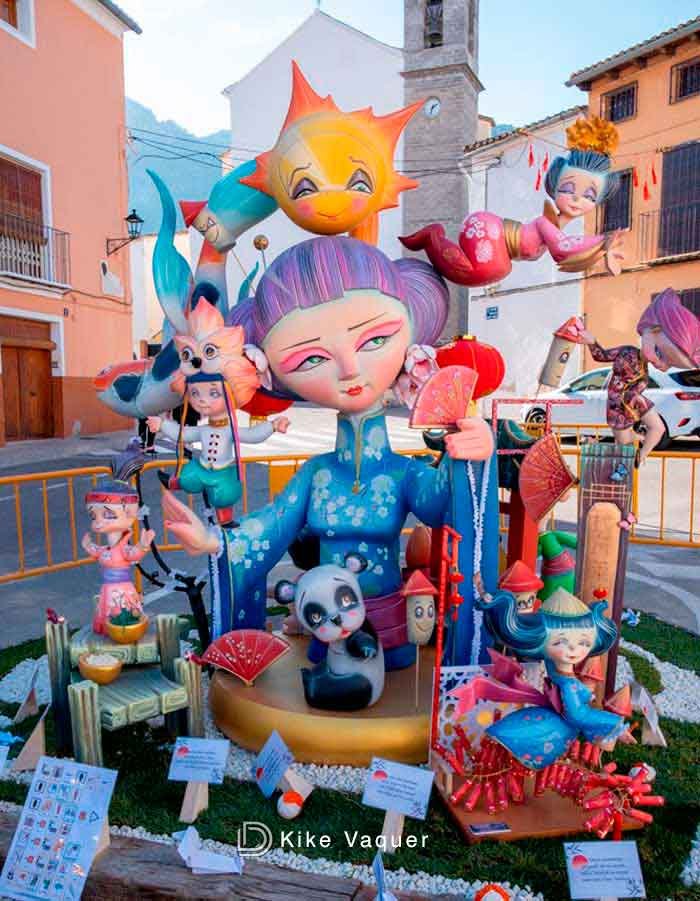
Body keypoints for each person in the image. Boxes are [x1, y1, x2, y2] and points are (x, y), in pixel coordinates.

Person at [162, 235, 497, 669]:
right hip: (324, 630)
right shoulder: (316, 474)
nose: (350, 369)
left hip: (388, 632)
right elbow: (273, 525)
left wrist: (472, 455)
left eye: (375, 340)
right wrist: (216, 541)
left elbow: (444, 507)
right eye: (311, 359)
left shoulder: (402, 473)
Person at [400, 115, 624, 286]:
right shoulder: (545, 224)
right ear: (554, 183)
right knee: (491, 270)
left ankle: (435, 241)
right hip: (490, 231)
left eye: (589, 196)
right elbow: (562, 247)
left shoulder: (553, 225)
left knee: (495, 269)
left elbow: (564, 245)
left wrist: (602, 251)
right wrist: (603, 241)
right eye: (567, 189)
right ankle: (432, 239)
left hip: (494, 235)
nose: (576, 199)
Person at [453, 587, 636, 770]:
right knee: (525, 769)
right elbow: (578, 715)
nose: (574, 650)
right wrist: (616, 725)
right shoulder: (568, 684)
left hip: (553, 724)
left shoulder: (558, 671)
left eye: (584, 642)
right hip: (552, 731)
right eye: (560, 642)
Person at [147, 298, 289, 525]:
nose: (202, 401)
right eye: (195, 394)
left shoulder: (230, 430)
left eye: (213, 393)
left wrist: (272, 426)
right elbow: (186, 434)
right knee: (189, 476)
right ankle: (174, 482)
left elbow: (250, 435)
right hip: (203, 467)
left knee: (225, 493)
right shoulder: (204, 430)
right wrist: (162, 425)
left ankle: (225, 521)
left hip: (222, 472)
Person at [580, 287, 700, 465]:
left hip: (628, 404)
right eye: (659, 353)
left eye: (668, 364)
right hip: (618, 406)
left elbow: (636, 392)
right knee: (624, 443)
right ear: (653, 329)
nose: (660, 364)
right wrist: (592, 342)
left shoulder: (644, 370)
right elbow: (602, 356)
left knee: (653, 430)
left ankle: (639, 455)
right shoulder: (628, 352)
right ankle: (628, 459)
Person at [82, 447, 154, 634]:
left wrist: (143, 545)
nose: (98, 522)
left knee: (123, 613)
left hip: (122, 590)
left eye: (107, 515)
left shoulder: (123, 548)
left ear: (130, 514)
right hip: (108, 590)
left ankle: (123, 630)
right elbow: (99, 552)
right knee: (109, 612)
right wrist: (89, 546)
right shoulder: (108, 548)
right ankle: (109, 629)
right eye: (93, 516)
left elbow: (133, 554)